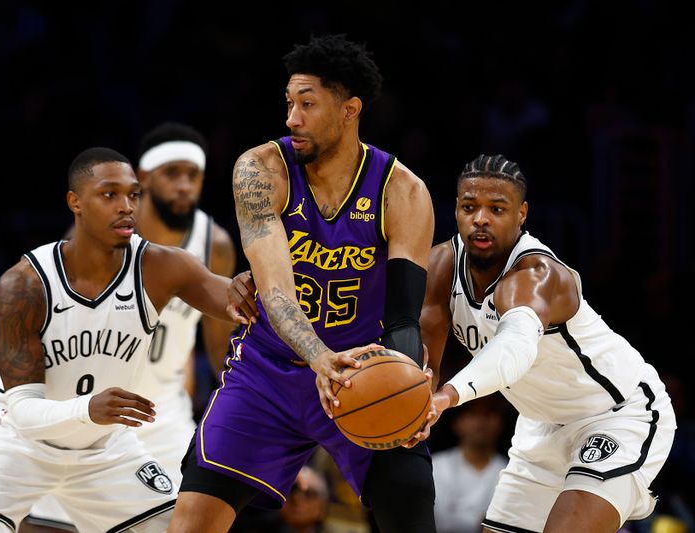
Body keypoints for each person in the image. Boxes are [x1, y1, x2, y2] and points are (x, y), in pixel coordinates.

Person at [167, 33, 437, 533]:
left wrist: (405, 381)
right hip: (268, 371)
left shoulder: (404, 191)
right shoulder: (260, 170)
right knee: (191, 522)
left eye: (308, 104)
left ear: (350, 109)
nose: (292, 118)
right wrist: (316, 356)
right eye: (289, 103)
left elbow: (403, 316)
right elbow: (274, 292)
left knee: (412, 507)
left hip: (361, 372)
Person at [0, 147, 251, 533]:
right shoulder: (24, 284)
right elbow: (23, 410)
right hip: (18, 446)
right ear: (75, 201)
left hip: (105, 449)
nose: (126, 206)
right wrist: (89, 408)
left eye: (133, 195)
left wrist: (253, 287)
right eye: (110, 195)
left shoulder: (160, 266)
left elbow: (236, 303)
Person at [421, 154, 677, 532]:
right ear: (456, 210)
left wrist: (446, 396)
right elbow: (424, 358)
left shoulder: (537, 275)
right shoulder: (442, 265)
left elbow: (514, 351)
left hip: (618, 413)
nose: (480, 219)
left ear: (521, 214)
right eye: (469, 206)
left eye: (497, 208)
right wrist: (413, 400)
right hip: (540, 424)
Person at [22, 123, 240, 532]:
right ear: (143, 179)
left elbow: (221, 347)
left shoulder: (215, 243)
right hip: (93, 411)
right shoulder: (96, 234)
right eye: (172, 173)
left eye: (193, 176)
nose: (184, 186)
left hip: (164, 416)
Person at [431, 395, 509, 533]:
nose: (481, 421)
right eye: (472, 414)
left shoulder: (511, 471)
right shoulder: (436, 466)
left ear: (500, 422)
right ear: (457, 423)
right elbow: (438, 521)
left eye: (488, 414)